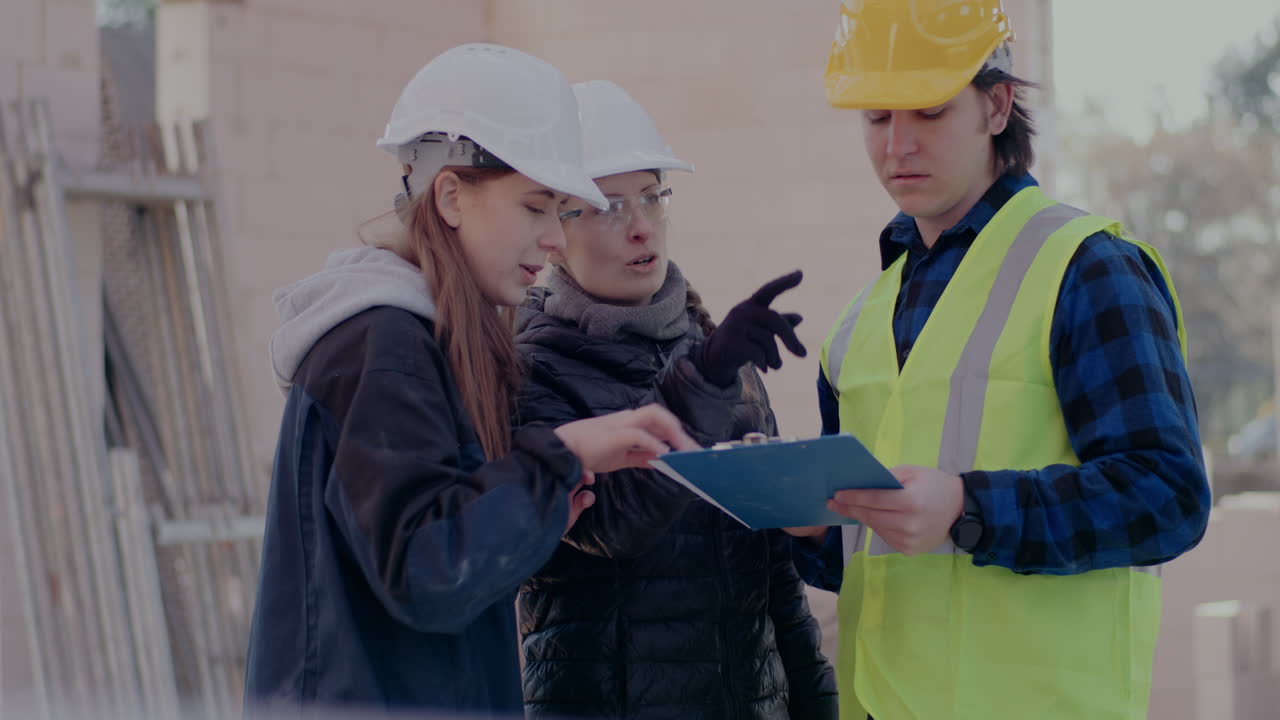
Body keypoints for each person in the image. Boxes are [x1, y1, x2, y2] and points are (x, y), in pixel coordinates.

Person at [243, 44, 698, 716]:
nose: (554, 238)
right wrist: (557, 459)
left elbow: (438, 559)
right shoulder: (384, 345)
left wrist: (534, 507)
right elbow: (428, 572)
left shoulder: (433, 341)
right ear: (452, 195)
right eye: (537, 206)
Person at [786, 2, 1212, 719]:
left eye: (927, 112)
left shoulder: (1087, 268)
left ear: (996, 105)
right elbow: (866, 563)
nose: (898, 146)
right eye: (877, 118)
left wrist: (967, 507)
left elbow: (1167, 498)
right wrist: (812, 526)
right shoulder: (854, 327)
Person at [514, 80, 838, 719]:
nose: (641, 228)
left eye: (652, 197)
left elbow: (777, 581)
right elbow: (610, 527)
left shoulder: (720, 353)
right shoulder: (532, 368)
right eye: (608, 205)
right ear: (557, 225)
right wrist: (707, 378)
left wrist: (814, 702)